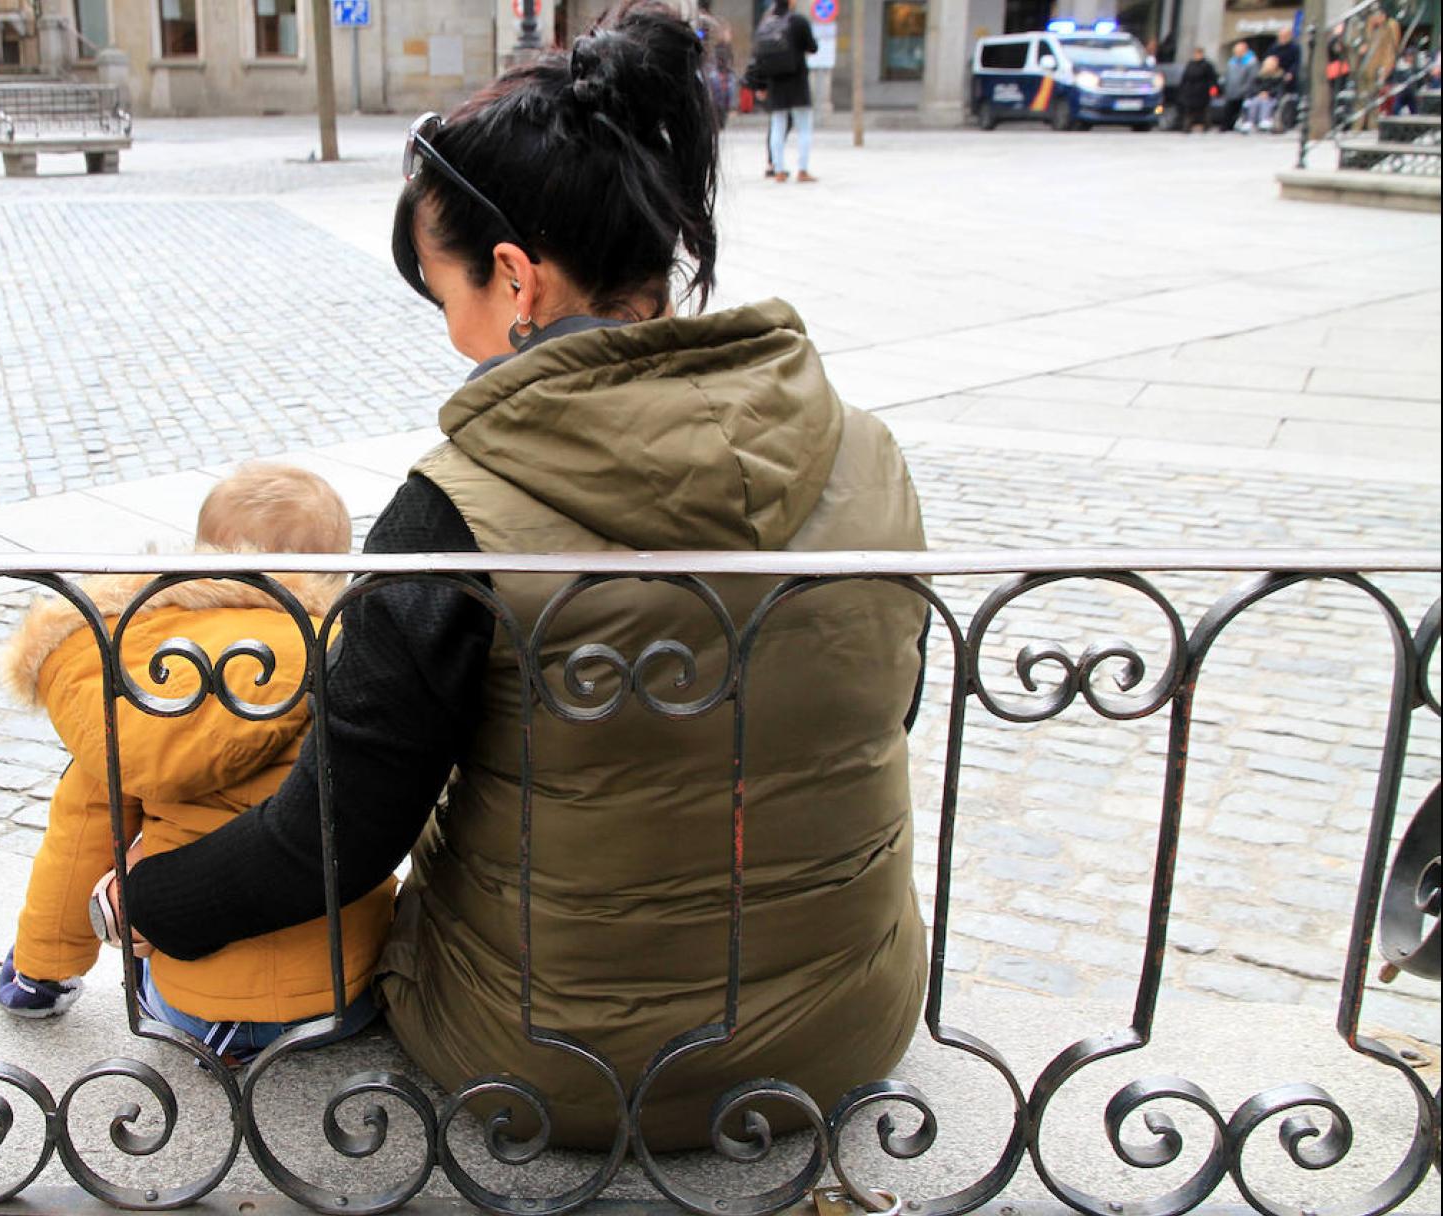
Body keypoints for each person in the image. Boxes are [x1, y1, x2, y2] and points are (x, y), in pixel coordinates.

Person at [111, 0, 930, 1151]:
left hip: (551, 1062)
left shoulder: (457, 510)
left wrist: (134, 904)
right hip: (843, 1032)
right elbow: (880, 712)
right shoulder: (866, 448)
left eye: (449, 299)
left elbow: (332, 841)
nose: (452, 335)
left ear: (515, 278)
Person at [0, 464, 396, 1061]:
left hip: (194, 1004)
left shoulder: (139, 678)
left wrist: (40, 970)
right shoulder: (344, 656)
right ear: (332, 570)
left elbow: (83, 836)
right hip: (344, 992)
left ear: (202, 553)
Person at [746, 0, 817, 182]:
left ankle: (778, 169)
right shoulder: (798, 21)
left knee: (777, 125)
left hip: (775, 82)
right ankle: (802, 169)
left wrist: (761, 85)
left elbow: (759, 57)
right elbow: (812, 47)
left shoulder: (766, 25)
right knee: (804, 126)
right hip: (797, 80)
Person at [1355, 8, 1402, 131]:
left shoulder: (1390, 27)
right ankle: (1358, 125)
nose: (1373, 19)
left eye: (1376, 16)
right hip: (1365, 68)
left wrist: (1385, 69)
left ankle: (1373, 126)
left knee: (1375, 98)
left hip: (1378, 68)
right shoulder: (1369, 28)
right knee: (1361, 97)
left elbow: (1391, 51)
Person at [693, 0, 734, 129]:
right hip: (701, 64)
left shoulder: (704, 26)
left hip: (706, 65)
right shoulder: (699, 26)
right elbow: (699, 37)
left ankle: (718, 117)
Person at [1178, 45, 1218, 131]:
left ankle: (1206, 126)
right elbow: (1185, 78)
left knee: (1203, 110)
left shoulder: (1207, 65)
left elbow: (1212, 78)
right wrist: (1183, 90)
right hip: (1191, 92)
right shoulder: (1190, 64)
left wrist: (1213, 88)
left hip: (1202, 92)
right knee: (1189, 111)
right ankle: (1187, 127)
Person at [1220, 40, 1257, 133]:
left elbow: (1251, 78)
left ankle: (1239, 125)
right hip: (1231, 90)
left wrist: (1245, 89)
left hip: (1243, 92)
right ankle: (1226, 126)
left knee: (1241, 110)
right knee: (1228, 109)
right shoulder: (1232, 61)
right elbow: (1227, 75)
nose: (1236, 53)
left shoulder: (1251, 62)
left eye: (1239, 51)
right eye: (1235, 51)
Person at [1244, 53, 1287, 131]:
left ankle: (1265, 119)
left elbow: (1279, 89)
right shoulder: (1259, 76)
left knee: (1266, 102)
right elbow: (1253, 87)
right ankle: (1250, 121)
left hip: (1272, 97)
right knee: (1254, 102)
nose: (1269, 66)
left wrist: (1269, 93)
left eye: (1271, 64)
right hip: (1259, 95)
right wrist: (1259, 93)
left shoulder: (1279, 76)